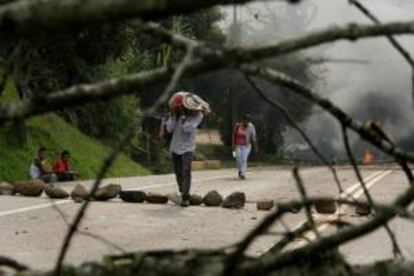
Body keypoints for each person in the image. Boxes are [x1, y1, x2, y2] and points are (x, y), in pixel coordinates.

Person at [165, 92, 210, 207]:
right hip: (175, 146)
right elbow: (169, 129)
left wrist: (184, 116)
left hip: (188, 147)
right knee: (178, 171)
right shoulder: (176, 115)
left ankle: (185, 196)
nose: (180, 108)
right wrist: (172, 116)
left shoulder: (198, 115)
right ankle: (182, 190)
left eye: (182, 107)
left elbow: (187, 128)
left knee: (186, 171)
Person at [232, 114, 258, 179]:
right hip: (238, 145)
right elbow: (233, 135)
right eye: (245, 121)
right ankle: (240, 170)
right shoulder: (238, 125)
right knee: (238, 159)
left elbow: (254, 137)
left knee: (244, 159)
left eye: (248, 121)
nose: (247, 123)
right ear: (242, 120)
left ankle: (243, 173)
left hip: (246, 146)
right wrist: (233, 144)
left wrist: (256, 147)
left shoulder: (251, 126)